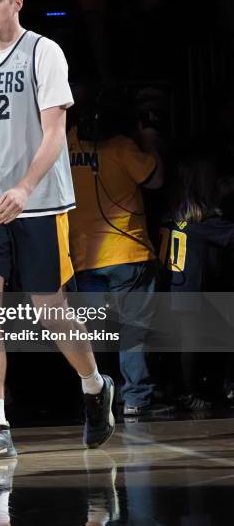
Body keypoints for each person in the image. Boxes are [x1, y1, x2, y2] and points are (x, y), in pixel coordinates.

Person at [0, 0, 115, 461]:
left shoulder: (44, 51)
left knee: (48, 308)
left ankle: (93, 385)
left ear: (17, 3)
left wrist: (24, 186)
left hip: (39, 200)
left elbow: (55, 133)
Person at [68, 86, 173, 416]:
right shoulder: (122, 147)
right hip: (128, 253)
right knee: (132, 331)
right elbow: (155, 180)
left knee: (91, 333)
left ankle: (96, 397)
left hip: (83, 257)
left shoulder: (64, 145)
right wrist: (151, 138)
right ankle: (136, 400)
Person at [160, 154, 234, 410]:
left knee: (177, 342)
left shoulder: (171, 217)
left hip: (169, 286)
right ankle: (188, 393)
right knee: (191, 343)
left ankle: (176, 390)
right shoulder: (207, 224)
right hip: (190, 292)